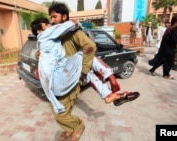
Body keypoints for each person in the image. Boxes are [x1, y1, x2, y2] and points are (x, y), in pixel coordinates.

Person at [35, 2, 139, 141]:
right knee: (63, 108)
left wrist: (83, 73)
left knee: (59, 112)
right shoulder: (56, 34)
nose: (52, 20)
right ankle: (72, 126)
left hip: (71, 79)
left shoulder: (74, 33)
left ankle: (77, 127)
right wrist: (40, 53)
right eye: (51, 18)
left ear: (64, 16)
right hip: (60, 78)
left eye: (55, 17)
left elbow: (90, 47)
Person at [148, 15, 177, 79]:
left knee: (162, 60)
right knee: (169, 62)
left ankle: (152, 70)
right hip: (169, 48)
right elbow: (173, 39)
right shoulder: (175, 28)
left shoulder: (171, 27)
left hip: (165, 47)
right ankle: (166, 75)